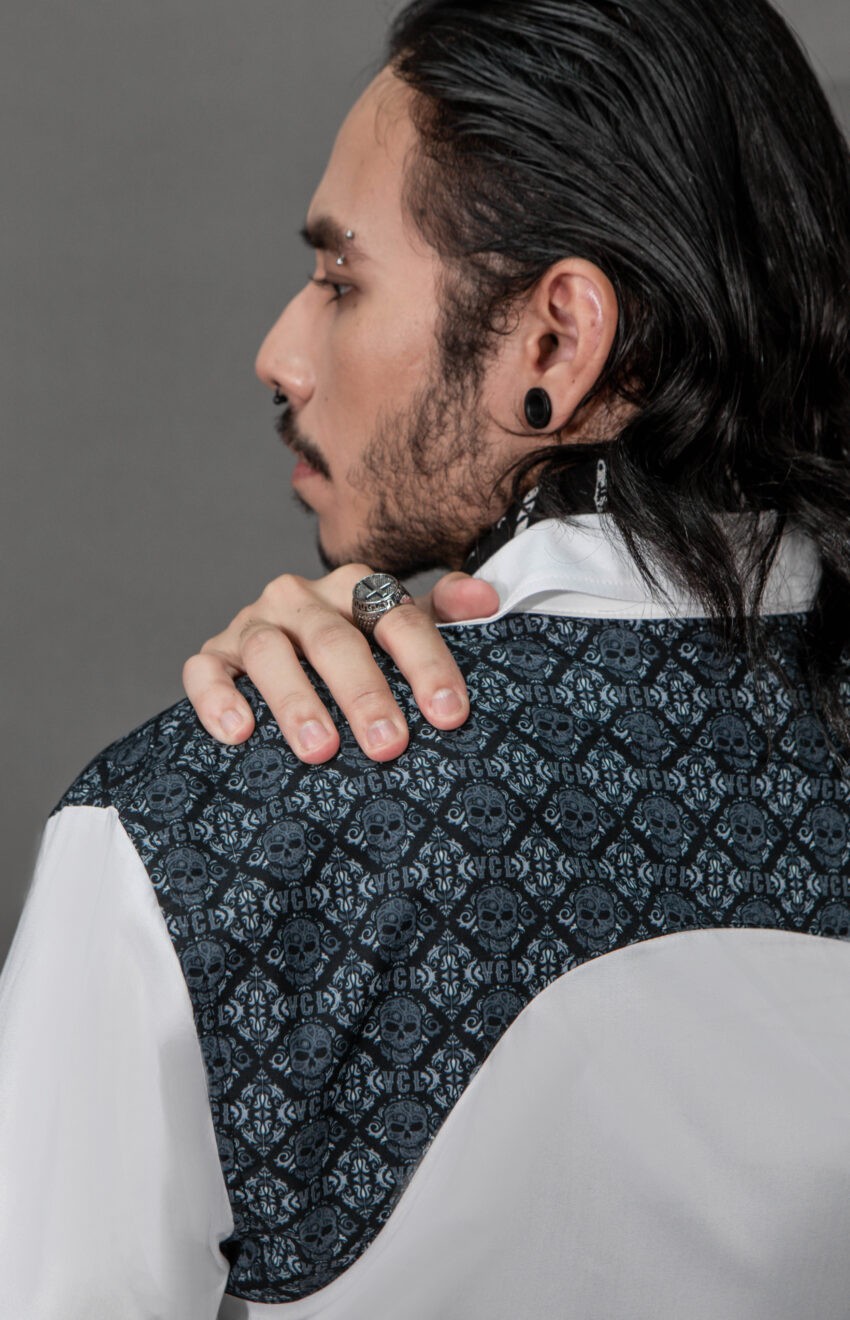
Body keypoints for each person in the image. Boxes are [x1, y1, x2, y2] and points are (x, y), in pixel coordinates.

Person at [2, 0, 850, 1316]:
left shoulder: (191, 833)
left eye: (342, 280)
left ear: (555, 339)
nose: (280, 354)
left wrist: (231, 782)